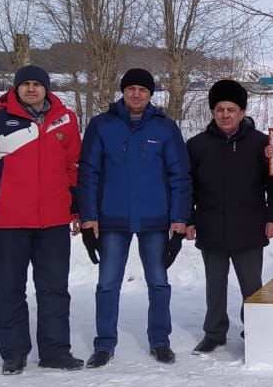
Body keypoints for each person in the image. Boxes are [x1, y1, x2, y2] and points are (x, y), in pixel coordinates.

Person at [0, 65, 83, 375]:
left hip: (54, 222)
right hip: (8, 223)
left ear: (47, 88)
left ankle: (56, 351)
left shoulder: (66, 119)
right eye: (25, 84)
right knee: (10, 290)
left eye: (37, 84)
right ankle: (14, 354)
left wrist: (76, 211)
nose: (31, 89)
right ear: (16, 88)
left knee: (55, 289)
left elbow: (73, 168)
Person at [77, 68, 191, 367]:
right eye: (131, 89)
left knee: (158, 282)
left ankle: (160, 340)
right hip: (112, 219)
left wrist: (179, 219)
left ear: (151, 94)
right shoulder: (102, 125)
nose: (136, 94)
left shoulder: (165, 128)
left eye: (142, 89)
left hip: (155, 219)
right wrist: (88, 217)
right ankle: (104, 344)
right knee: (107, 284)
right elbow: (88, 173)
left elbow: (180, 175)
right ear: (123, 92)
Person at [186, 80, 273, 353]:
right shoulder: (197, 146)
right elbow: (187, 186)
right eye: (219, 109)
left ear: (242, 112)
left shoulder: (262, 144)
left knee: (251, 286)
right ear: (213, 113)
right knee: (215, 285)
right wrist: (189, 219)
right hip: (211, 225)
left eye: (231, 109)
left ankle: (254, 329)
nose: (225, 115)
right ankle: (214, 332)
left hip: (249, 226)